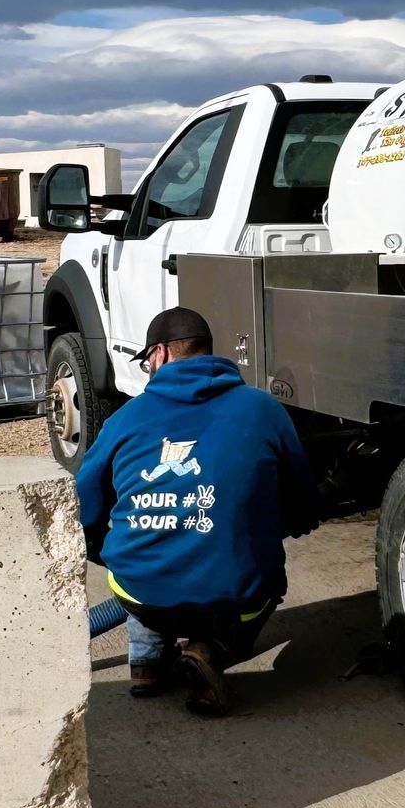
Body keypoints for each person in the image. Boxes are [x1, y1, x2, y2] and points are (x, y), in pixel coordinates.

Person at [77, 305, 317, 715]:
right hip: (231, 592)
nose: (149, 368)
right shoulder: (264, 409)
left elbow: (84, 504)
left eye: (147, 360)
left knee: (134, 567)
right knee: (266, 582)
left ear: (163, 354)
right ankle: (210, 651)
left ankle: (147, 661)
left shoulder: (124, 418)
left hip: (142, 592)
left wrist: (108, 549)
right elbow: (301, 501)